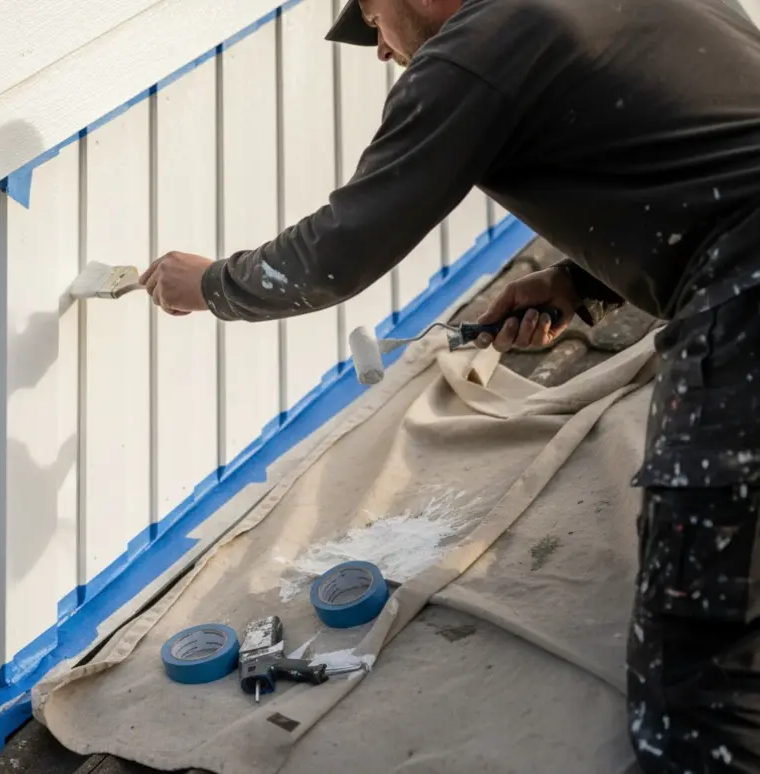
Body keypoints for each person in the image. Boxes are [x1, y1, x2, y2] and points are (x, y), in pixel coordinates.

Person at [138, 0, 760, 770]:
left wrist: (212, 284)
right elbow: (705, 163)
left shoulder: (483, 38)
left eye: (370, 18)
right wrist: (577, 284)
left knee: (705, 663)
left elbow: (334, 254)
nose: (380, 51)